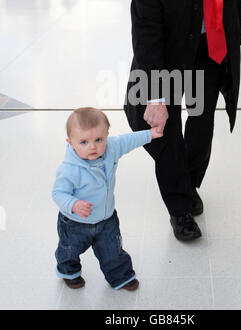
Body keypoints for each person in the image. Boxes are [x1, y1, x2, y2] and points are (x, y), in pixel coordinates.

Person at [124, 0, 241, 242]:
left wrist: (237, 30)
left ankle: (187, 188)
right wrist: (155, 96)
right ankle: (179, 203)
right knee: (158, 124)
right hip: (167, 55)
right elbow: (146, 31)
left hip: (211, 51)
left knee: (202, 121)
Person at [52, 107, 162, 290]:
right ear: (70, 143)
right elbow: (58, 193)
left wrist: (150, 134)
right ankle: (69, 270)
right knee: (69, 250)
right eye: (84, 142)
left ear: (107, 135)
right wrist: (74, 204)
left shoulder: (111, 148)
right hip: (75, 222)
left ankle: (121, 276)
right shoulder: (69, 169)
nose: (92, 146)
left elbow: (129, 140)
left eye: (98, 139)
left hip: (106, 219)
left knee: (113, 251)